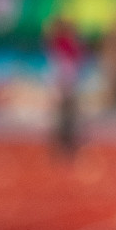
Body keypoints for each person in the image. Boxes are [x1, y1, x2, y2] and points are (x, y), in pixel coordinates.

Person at [45, 17, 84, 157]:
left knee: (66, 119)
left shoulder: (63, 44)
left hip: (66, 84)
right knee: (64, 119)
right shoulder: (63, 43)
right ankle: (64, 147)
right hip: (64, 85)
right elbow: (63, 66)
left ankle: (64, 147)